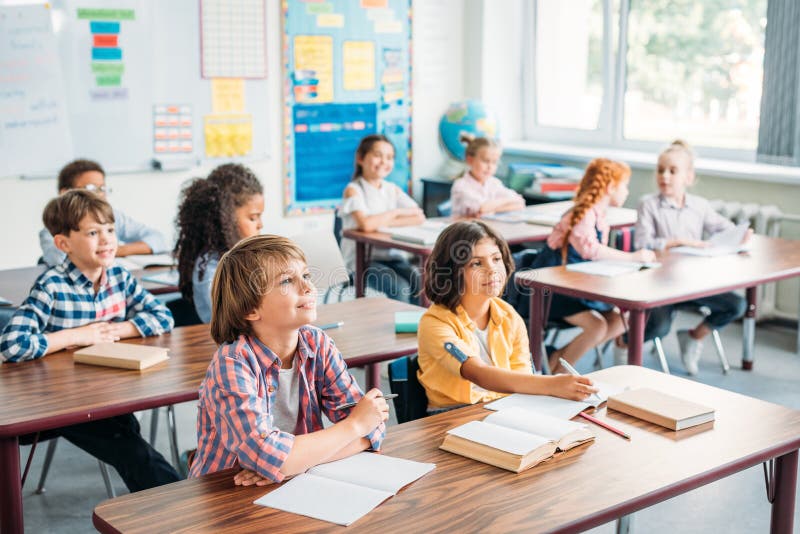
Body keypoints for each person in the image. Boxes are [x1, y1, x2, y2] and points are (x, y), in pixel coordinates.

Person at [0, 189, 180, 491]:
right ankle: (178, 508)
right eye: (93, 232)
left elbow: (163, 316)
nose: (107, 239)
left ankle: (157, 505)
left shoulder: (119, 276)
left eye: (110, 230)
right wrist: (75, 335)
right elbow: (11, 344)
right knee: (135, 452)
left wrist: (118, 329)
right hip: (62, 401)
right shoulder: (52, 285)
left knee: (129, 439)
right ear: (63, 243)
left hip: (111, 391)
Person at [188, 235, 387, 485]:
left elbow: (375, 428)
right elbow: (272, 456)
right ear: (251, 310)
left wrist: (293, 463)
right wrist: (354, 428)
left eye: (305, 276)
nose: (307, 288)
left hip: (293, 484)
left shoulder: (318, 344)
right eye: (286, 281)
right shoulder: (232, 363)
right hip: (227, 495)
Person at [416, 220, 598, 411]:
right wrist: (552, 384)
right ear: (452, 272)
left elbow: (523, 378)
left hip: (503, 406)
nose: (492, 269)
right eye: (477, 263)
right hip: (452, 415)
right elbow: (478, 373)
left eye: (496, 259)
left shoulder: (508, 316)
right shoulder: (435, 323)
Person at [634, 140, 748, 375]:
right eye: (660, 170)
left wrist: (741, 235)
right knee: (658, 327)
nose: (664, 176)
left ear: (688, 177)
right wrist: (678, 242)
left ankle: (693, 337)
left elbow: (726, 229)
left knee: (737, 305)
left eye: (672, 171)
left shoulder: (700, 206)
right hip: (659, 286)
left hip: (693, 284)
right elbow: (642, 244)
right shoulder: (648, 205)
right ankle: (623, 345)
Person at [531, 159, 656, 373]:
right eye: (624, 185)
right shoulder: (583, 214)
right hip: (555, 290)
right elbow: (591, 250)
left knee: (620, 320)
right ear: (610, 187)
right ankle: (560, 370)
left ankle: (559, 358)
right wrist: (632, 257)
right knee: (597, 326)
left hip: (582, 286)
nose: (626, 191)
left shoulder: (599, 215)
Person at [339, 134, 424, 304]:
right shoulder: (353, 190)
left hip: (392, 258)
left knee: (420, 284)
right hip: (363, 262)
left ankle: (416, 330)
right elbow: (366, 224)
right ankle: (397, 330)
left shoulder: (392, 189)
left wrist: (380, 221)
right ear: (360, 158)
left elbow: (418, 215)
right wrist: (395, 213)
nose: (384, 161)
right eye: (378, 155)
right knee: (399, 288)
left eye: (390, 157)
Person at [174, 163, 264, 323]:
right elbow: (234, 321)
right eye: (253, 217)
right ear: (226, 218)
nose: (260, 225)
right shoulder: (210, 269)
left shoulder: (241, 256)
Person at [39, 159, 168, 267]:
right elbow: (58, 261)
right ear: (66, 192)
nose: (99, 195)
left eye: (102, 188)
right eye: (91, 188)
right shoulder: (54, 227)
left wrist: (116, 250)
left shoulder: (113, 216)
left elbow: (158, 240)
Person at [450, 134, 525, 218]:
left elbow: (520, 203)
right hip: (464, 230)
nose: (490, 167)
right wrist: (506, 203)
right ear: (470, 159)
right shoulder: (461, 186)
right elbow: (482, 208)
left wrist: (492, 209)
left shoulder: (493, 183)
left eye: (494, 162)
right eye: (486, 161)